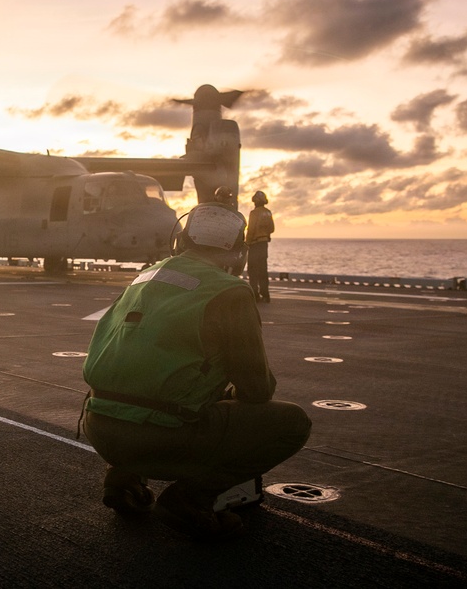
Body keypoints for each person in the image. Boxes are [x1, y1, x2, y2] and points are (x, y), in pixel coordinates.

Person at [81, 203, 310, 539]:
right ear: (239, 255)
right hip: (156, 440)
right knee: (292, 424)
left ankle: (122, 482)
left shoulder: (145, 276)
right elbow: (257, 390)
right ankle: (189, 500)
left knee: (143, 389)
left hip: (98, 427)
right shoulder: (229, 290)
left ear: (180, 241)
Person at [245, 190, 274, 303]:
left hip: (254, 244)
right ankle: (265, 294)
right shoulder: (268, 212)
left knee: (252, 270)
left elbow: (251, 229)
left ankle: (255, 294)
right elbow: (272, 229)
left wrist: (246, 243)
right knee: (263, 270)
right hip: (264, 244)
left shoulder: (254, 213)